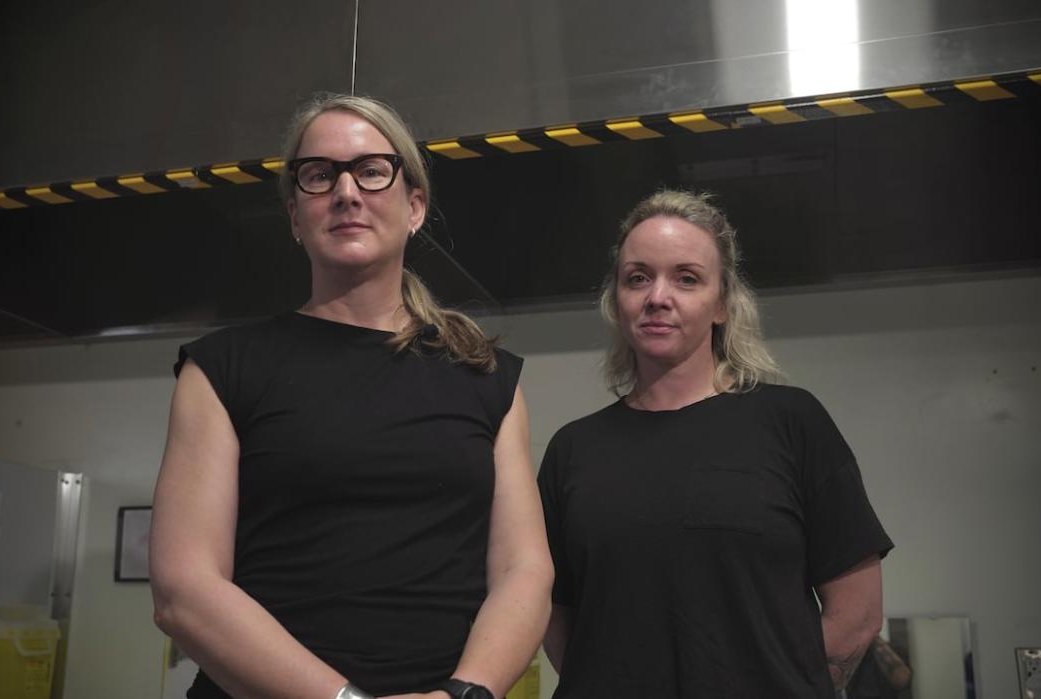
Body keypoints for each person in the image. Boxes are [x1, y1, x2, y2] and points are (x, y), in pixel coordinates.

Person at [150, 93, 553, 699]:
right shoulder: (222, 369)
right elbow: (184, 590)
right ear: (294, 215)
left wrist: (464, 695)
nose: (345, 192)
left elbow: (524, 572)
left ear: (414, 206)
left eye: (370, 170)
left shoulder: (486, 376)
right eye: (318, 175)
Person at [537, 189, 893, 698]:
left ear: (723, 303)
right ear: (617, 300)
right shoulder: (572, 450)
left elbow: (857, 613)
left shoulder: (791, 422)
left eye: (686, 278)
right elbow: (557, 616)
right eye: (638, 277)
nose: (658, 296)